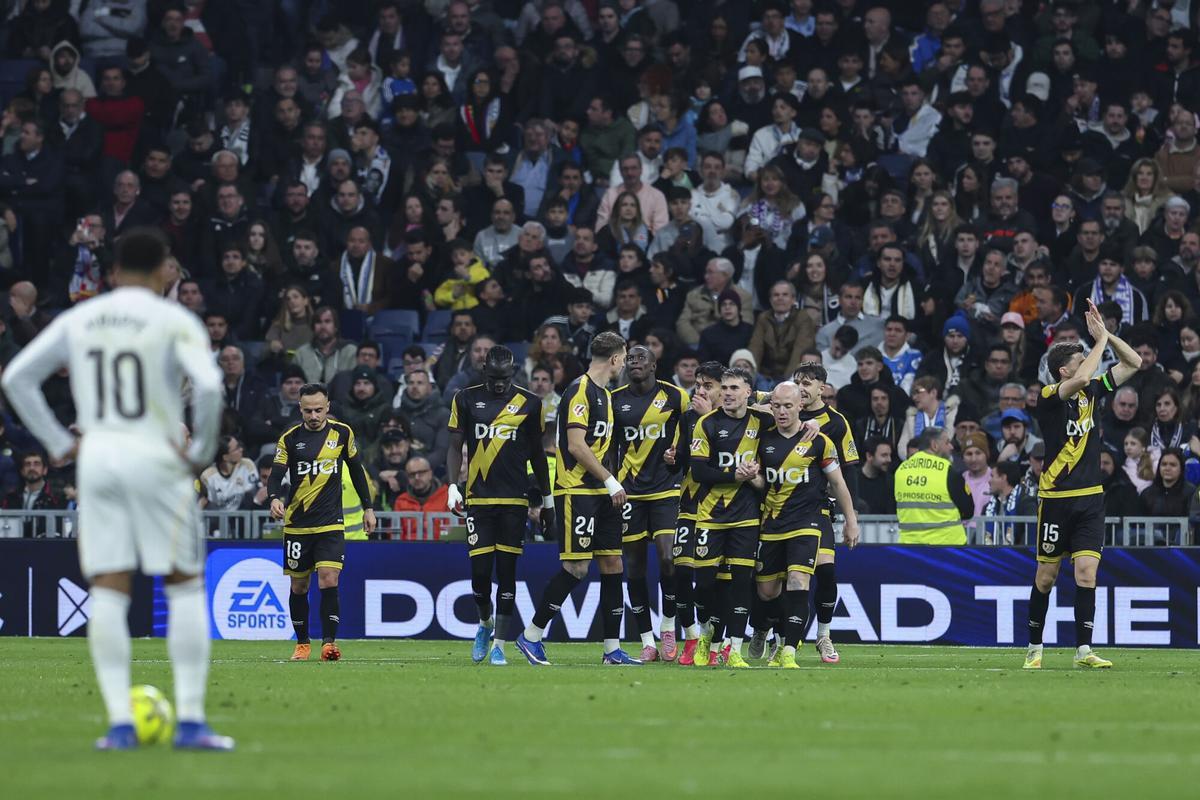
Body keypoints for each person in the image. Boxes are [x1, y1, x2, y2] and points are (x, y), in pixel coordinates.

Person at [0, 228, 232, 750]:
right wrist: (200, 454)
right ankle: (191, 721)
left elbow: (16, 377)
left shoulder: (81, 318)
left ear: (111, 273)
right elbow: (213, 387)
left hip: (100, 460)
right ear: (160, 273)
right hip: (157, 458)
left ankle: (120, 725)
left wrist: (59, 441)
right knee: (184, 585)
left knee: (108, 587)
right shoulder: (174, 320)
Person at [1025, 299, 1142, 671]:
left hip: (1091, 498)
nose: (1087, 366)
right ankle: (1034, 648)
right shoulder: (1047, 396)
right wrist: (1099, 343)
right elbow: (1079, 379)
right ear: (1063, 369)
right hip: (1056, 498)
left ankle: (1083, 650)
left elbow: (1134, 364)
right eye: (1079, 361)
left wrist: (1108, 335)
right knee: (1046, 578)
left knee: (1086, 573)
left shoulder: (1092, 393)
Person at [516, 332, 636, 666]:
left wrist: (613, 482)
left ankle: (612, 650)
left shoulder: (606, 395)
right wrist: (611, 480)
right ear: (614, 359)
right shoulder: (580, 391)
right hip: (577, 491)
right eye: (623, 358)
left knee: (613, 564)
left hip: (603, 492)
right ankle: (531, 635)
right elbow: (576, 445)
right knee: (576, 568)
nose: (624, 364)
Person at [446, 346, 552, 666]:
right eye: (493, 378)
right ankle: (484, 623)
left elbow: (538, 455)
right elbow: (454, 446)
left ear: (513, 372)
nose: (499, 385)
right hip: (478, 498)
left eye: (504, 379)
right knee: (479, 576)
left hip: (514, 499)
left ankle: (500, 645)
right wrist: (452, 485)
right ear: (483, 371)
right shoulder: (464, 399)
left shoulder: (531, 404)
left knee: (507, 574)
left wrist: (546, 501)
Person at [751, 380, 858, 669]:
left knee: (800, 580)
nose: (783, 411)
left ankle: (788, 652)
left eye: (789, 406)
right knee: (767, 592)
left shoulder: (820, 440)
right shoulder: (762, 438)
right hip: (771, 522)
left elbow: (838, 482)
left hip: (807, 522)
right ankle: (763, 627)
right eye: (778, 406)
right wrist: (752, 476)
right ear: (771, 407)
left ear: (801, 406)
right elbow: (761, 482)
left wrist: (851, 519)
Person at [268, 384, 377, 664]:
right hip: (297, 524)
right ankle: (302, 643)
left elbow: (356, 470)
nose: (314, 415)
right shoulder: (290, 439)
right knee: (299, 587)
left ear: (328, 406)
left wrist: (368, 508)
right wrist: (273, 498)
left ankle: (329, 643)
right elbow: (276, 473)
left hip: (330, 522)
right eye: (308, 410)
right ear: (300, 409)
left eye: (319, 409)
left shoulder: (342, 433)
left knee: (329, 578)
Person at [687, 366, 774, 668]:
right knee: (706, 585)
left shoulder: (763, 421)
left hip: (746, 516)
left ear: (749, 393)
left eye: (734, 388)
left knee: (740, 583)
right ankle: (705, 634)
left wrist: (813, 425)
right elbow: (699, 471)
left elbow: (794, 418)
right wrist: (734, 474)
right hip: (710, 514)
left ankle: (733, 649)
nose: (726, 393)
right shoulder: (707, 424)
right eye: (724, 388)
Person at [611, 345, 690, 662]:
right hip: (630, 491)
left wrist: (678, 456)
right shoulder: (615, 400)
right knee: (635, 566)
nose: (634, 363)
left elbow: (693, 432)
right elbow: (610, 444)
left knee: (669, 557)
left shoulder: (675, 396)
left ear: (655, 365)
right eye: (630, 359)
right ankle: (647, 640)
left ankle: (668, 627)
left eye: (641, 358)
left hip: (667, 487)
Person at [893, 426, 974, 544]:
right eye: (947, 442)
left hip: (910, 545)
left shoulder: (901, 470)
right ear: (934, 445)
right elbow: (968, 510)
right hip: (947, 545)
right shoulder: (947, 471)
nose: (951, 446)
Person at [857, 437, 895, 515]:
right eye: (884, 455)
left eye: (889, 455)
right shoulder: (853, 480)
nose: (889, 460)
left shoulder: (890, 482)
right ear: (869, 456)